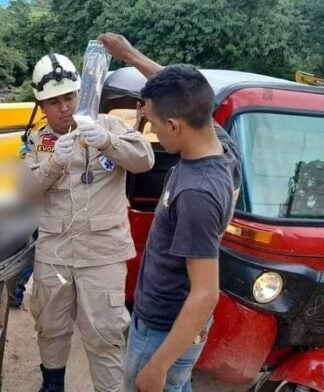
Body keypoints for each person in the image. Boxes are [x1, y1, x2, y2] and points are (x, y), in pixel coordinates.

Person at [99, 33, 242, 392]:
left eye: (157, 125)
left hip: (164, 329)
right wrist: (131, 55)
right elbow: (182, 86)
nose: (154, 132)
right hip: (171, 325)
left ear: (175, 124)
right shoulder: (221, 143)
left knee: (160, 383)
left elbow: (206, 293)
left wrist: (157, 365)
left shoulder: (197, 192)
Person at [26, 53, 155, 392]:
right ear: (41, 104)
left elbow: (145, 160)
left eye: (69, 97)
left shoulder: (108, 125)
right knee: (50, 326)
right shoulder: (36, 141)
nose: (64, 107)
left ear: (80, 93)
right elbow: (22, 192)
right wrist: (53, 164)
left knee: (105, 333)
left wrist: (107, 142)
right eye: (54, 101)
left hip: (102, 254)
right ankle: (52, 385)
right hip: (54, 253)